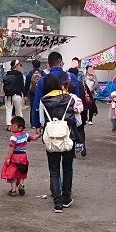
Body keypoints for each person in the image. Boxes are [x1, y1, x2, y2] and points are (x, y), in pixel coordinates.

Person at [38, 72, 83, 213]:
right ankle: (66, 198)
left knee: (54, 170)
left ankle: (57, 203)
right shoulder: (70, 98)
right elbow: (79, 121)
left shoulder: (43, 100)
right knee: (67, 168)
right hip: (68, 137)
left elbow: (41, 121)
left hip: (51, 138)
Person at [0, 116, 30, 197]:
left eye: (13, 125)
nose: (11, 126)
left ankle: (13, 190)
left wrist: (8, 158)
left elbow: (11, 148)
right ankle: (21, 185)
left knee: (13, 173)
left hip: (15, 156)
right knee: (22, 171)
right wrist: (38, 135)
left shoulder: (14, 137)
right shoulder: (26, 135)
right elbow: (32, 138)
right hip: (23, 156)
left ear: (20, 128)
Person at [2, 60, 26, 124]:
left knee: (8, 110)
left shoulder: (7, 74)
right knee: (18, 111)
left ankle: (9, 125)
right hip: (17, 95)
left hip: (8, 95)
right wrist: (25, 95)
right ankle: (20, 125)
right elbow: (22, 86)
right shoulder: (19, 74)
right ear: (16, 65)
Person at [25, 59, 47, 130]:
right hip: (41, 92)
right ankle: (40, 122)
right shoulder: (43, 73)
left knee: (32, 108)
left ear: (32, 65)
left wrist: (25, 94)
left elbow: (27, 85)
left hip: (32, 92)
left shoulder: (30, 73)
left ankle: (33, 124)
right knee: (40, 107)